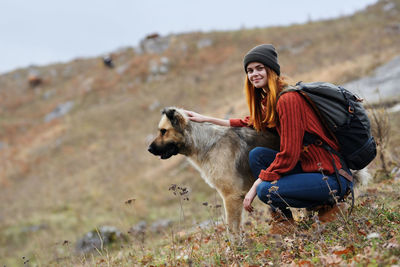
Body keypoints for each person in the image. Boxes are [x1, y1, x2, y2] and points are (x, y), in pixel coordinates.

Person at [185, 44, 353, 234]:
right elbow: (254, 122)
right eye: (249, 70)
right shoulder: (273, 100)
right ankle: (283, 222)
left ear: (271, 70)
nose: (254, 74)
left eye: (259, 68)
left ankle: (330, 206)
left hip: (330, 178)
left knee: (266, 190)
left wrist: (257, 184)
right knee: (258, 155)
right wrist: (208, 119)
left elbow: (289, 154)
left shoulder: (288, 100)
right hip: (311, 169)